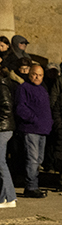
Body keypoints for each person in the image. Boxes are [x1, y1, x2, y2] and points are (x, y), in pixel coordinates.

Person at [14, 64, 53, 199]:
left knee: (39, 159)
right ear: (29, 74)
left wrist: (49, 123)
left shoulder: (42, 89)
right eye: (35, 74)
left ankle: (34, 184)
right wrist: (33, 119)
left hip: (43, 130)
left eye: (40, 75)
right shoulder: (23, 88)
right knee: (33, 159)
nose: (37, 77)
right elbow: (20, 108)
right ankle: (31, 187)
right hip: (31, 129)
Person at [0, 69, 17, 207]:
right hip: (4, 127)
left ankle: (10, 197)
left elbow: (6, 107)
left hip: (3, 128)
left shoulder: (2, 86)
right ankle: (5, 197)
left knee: (1, 163)